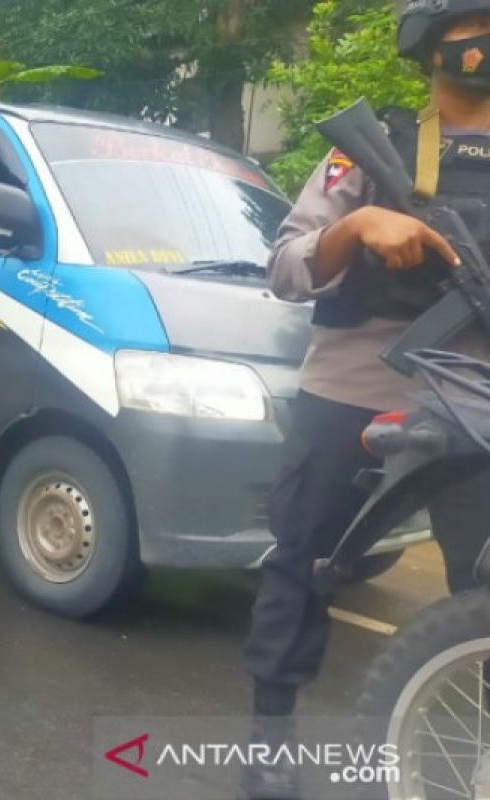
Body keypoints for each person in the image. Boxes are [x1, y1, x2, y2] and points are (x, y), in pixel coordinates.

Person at [241, 4, 490, 797]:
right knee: (304, 562)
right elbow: (284, 268)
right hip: (352, 385)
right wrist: (361, 228)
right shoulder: (370, 150)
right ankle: (270, 737)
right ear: (432, 47)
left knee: (482, 585)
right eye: (469, 26)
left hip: (475, 402)